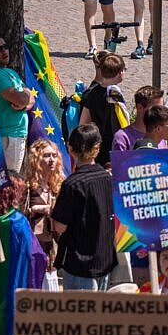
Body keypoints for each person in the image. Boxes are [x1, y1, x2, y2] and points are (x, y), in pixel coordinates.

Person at [50, 123, 117, 290]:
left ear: (70, 149)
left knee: (78, 308)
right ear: (97, 148)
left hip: (79, 265)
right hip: (105, 260)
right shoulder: (108, 179)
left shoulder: (72, 184)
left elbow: (59, 226)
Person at [0, 33, 34, 171]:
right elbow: (22, 98)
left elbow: (31, 100)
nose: (4, 51)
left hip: (15, 134)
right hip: (8, 136)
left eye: (5, 47)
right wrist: (24, 97)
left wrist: (23, 104)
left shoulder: (10, 72)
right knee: (10, 179)